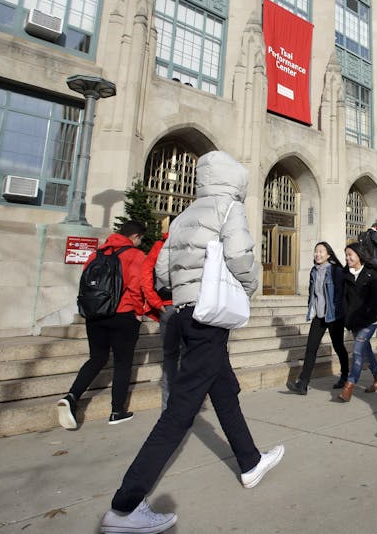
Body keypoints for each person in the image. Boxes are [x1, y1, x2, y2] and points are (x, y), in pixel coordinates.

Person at [100, 151, 283, 534]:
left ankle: (249, 462)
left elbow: (163, 270)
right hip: (209, 317)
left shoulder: (183, 215)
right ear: (234, 180)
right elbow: (241, 256)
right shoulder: (227, 208)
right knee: (180, 412)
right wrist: (248, 289)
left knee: (224, 390)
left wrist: (183, 288)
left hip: (184, 314)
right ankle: (124, 506)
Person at [57, 220, 148, 430]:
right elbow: (136, 288)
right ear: (135, 237)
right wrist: (139, 312)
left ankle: (72, 396)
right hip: (123, 314)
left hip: (95, 314)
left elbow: (85, 283)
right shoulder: (135, 255)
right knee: (123, 363)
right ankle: (117, 411)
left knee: (97, 358)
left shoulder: (96, 254)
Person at [288, 241, 348, 394]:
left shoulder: (336, 271)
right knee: (311, 349)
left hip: (334, 316)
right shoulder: (314, 271)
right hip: (319, 316)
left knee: (338, 346)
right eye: (316, 251)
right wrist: (311, 309)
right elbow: (313, 293)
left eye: (321, 251)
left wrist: (342, 313)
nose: (317, 254)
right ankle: (303, 383)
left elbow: (342, 294)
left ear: (328, 254)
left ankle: (345, 376)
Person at [338, 241, 377, 402]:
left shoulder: (372, 274)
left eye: (350, 254)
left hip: (369, 321)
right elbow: (343, 299)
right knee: (366, 351)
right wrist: (346, 316)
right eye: (346, 255)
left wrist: (373, 313)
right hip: (353, 321)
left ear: (359, 255)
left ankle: (349, 385)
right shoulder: (346, 275)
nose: (347, 258)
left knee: (358, 351)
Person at [140, 228, 177, 411]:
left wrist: (155, 302)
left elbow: (146, 276)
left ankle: (169, 410)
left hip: (168, 306)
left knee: (170, 360)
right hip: (187, 307)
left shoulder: (160, 246)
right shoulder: (194, 245)